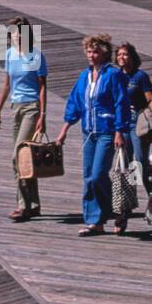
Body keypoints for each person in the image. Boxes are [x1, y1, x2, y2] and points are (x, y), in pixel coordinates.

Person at [55, 33, 131, 236]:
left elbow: (121, 103)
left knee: (98, 175)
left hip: (107, 132)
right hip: (88, 133)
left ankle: (113, 211)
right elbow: (75, 103)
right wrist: (64, 129)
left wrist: (119, 131)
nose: (91, 55)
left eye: (95, 51)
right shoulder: (84, 76)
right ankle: (94, 221)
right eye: (88, 51)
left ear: (104, 53)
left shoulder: (113, 75)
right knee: (89, 177)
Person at [0, 17, 47, 222]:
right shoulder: (10, 54)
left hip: (32, 108)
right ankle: (33, 205)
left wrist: (43, 115)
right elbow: (7, 84)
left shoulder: (36, 55)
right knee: (26, 158)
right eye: (13, 33)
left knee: (18, 156)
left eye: (19, 32)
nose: (16, 36)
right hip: (15, 107)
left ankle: (23, 206)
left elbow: (42, 87)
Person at [113, 42, 152, 234]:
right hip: (121, 125)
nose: (121, 58)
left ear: (132, 57)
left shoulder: (140, 76)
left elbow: (150, 99)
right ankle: (124, 210)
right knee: (123, 167)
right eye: (119, 55)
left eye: (125, 55)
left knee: (139, 162)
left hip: (137, 124)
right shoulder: (116, 76)